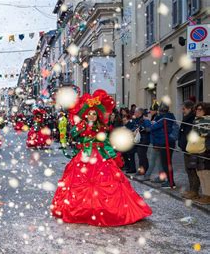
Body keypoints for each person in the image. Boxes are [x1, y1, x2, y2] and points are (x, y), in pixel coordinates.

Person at [50, 89, 152, 226]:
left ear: (97, 116)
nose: (91, 116)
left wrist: (114, 156)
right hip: (84, 157)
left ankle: (105, 210)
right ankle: (85, 210)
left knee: (108, 182)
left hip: (100, 157)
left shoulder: (101, 128)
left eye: (94, 114)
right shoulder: (82, 126)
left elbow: (106, 143)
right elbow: (73, 135)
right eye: (89, 114)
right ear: (86, 115)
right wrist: (78, 129)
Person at [150, 103, 177, 188]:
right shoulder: (166, 117)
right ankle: (170, 181)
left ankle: (171, 182)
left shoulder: (165, 118)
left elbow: (154, 128)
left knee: (166, 163)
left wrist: (151, 123)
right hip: (165, 142)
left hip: (166, 143)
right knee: (166, 163)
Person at [190, 103, 210, 205]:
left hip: (206, 150)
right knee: (200, 172)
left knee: (205, 173)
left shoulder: (207, 120)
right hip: (198, 149)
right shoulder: (198, 121)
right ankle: (205, 194)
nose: (197, 111)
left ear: (206, 110)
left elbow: (205, 133)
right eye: (196, 109)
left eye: (200, 109)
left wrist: (202, 132)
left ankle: (208, 196)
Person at [178, 101, 199, 199]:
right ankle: (192, 190)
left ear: (190, 108)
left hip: (191, 148)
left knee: (192, 170)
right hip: (186, 148)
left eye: (184, 109)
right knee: (188, 169)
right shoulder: (187, 117)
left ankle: (194, 191)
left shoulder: (192, 119)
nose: (182, 111)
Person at [134, 108, 152, 174]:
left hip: (144, 140)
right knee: (140, 155)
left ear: (139, 113)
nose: (134, 114)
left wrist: (142, 129)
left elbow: (149, 129)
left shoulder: (145, 120)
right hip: (139, 140)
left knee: (142, 155)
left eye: (135, 112)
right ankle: (141, 169)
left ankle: (143, 170)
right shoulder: (137, 120)